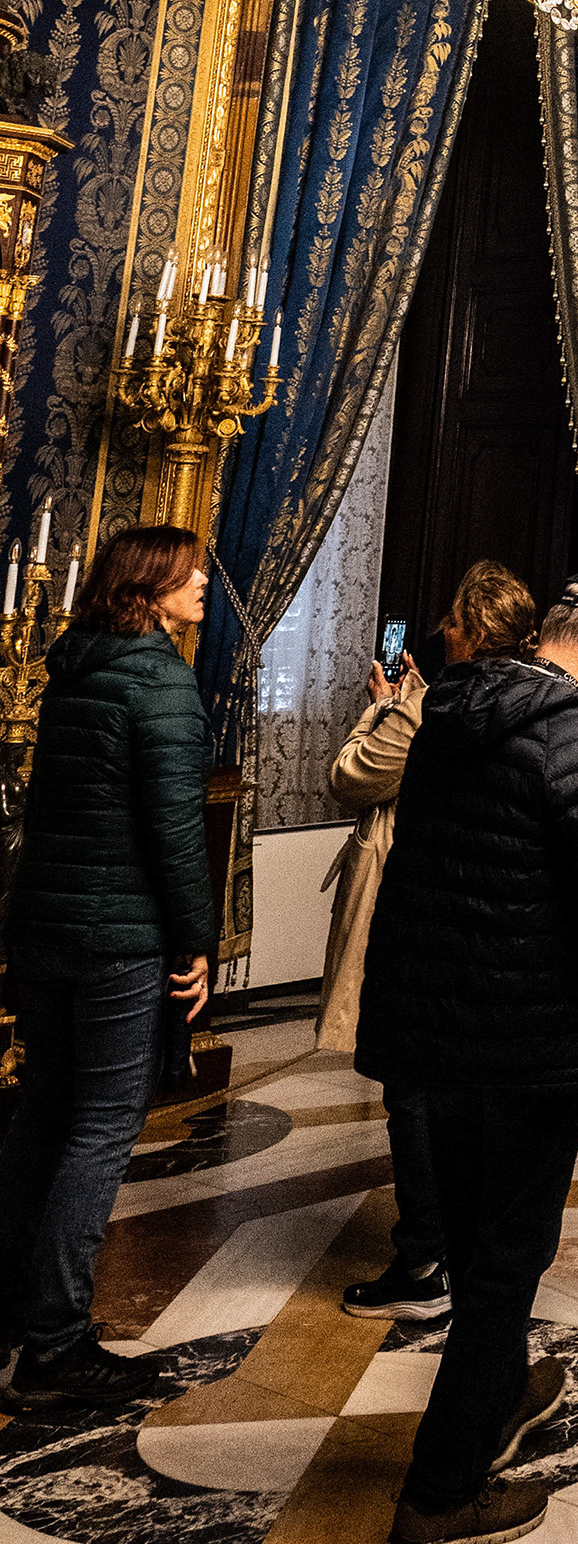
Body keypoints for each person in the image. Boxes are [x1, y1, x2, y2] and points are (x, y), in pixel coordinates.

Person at [358, 564, 578, 1544]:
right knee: (505, 1262)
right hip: (527, 1038)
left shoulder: (451, 703)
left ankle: (497, 1388)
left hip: (435, 1024)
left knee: (467, 1237)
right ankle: (442, 1490)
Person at [0, 524, 214, 1410]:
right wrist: (195, 940)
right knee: (99, 1128)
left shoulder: (74, 667)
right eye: (188, 572)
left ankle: (14, 1310)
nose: (202, 582)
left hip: (44, 927)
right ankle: (54, 1349)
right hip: (118, 937)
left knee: (42, 1114)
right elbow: (173, 828)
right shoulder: (158, 677)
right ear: (150, 588)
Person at [319, 560, 537, 1326]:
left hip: (418, 913)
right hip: (492, 927)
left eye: (451, 619)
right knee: (457, 1091)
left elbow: (350, 778)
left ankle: (422, 1254)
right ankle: (457, 1243)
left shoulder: (426, 710)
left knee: (411, 1088)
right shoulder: (536, 706)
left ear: (472, 632)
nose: (440, 630)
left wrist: (385, 707)